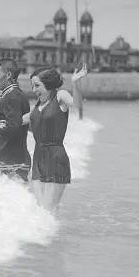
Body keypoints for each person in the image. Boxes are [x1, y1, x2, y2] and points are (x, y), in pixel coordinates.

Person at [20, 64, 88, 212]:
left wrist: (75, 83)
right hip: (38, 158)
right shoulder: (37, 106)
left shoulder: (60, 96)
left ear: (48, 84)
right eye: (32, 86)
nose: (33, 90)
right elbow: (21, 122)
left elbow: (78, 105)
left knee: (48, 210)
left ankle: (57, 234)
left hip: (56, 158)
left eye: (37, 85)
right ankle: (54, 235)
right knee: (40, 210)